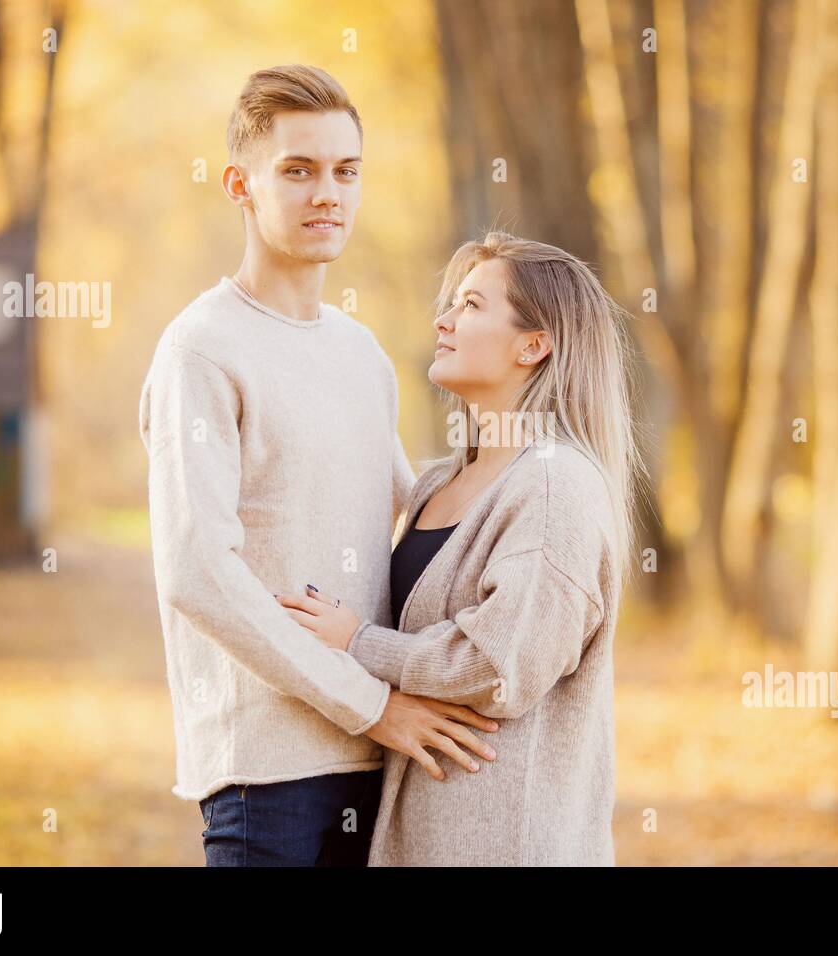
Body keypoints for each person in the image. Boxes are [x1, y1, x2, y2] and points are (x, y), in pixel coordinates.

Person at [139, 65, 496, 867]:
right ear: (241, 184)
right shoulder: (201, 350)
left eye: (345, 171)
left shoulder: (359, 352)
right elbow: (197, 573)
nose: (325, 193)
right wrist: (371, 704)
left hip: (387, 757)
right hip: (269, 777)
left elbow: (412, 517)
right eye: (297, 171)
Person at [279, 231, 640, 865]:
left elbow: (498, 665)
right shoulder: (437, 482)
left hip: (511, 845)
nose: (442, 320)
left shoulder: (555, 487)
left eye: (471, 306)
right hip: (421, 839)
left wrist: (358, 642)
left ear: (534, 343)